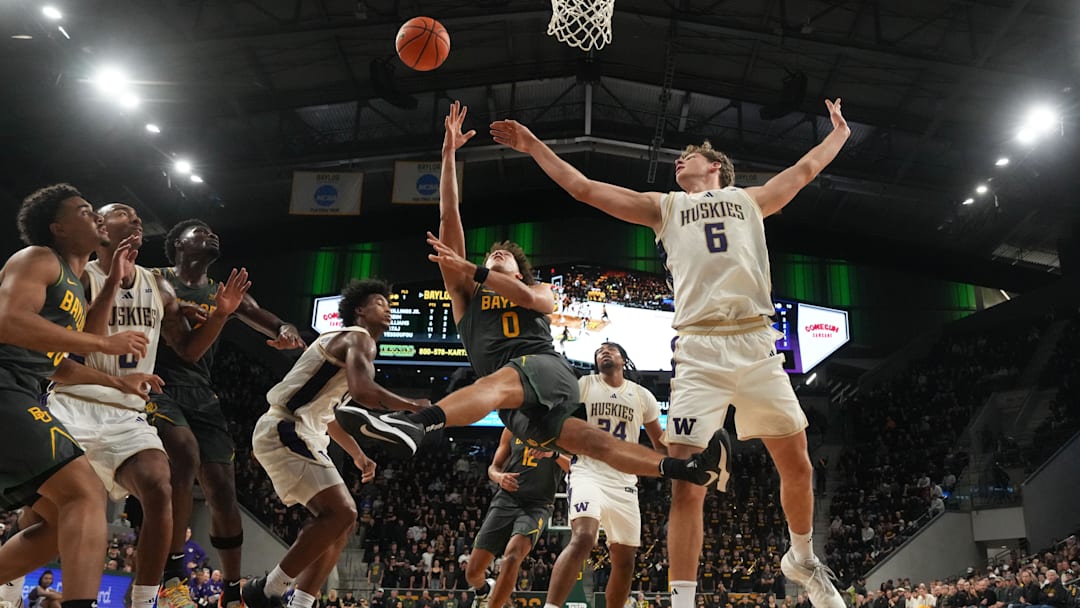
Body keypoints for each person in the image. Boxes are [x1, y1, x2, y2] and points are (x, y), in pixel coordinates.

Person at [488, 98, 851, 608]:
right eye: (678, 158)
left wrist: (839, 132)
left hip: (756, 342)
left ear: (716, 168)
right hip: (700, 349)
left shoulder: (751, 199)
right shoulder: (665, 207)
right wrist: (533, 146)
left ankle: (803, 558)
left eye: (689, 157)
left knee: (798, 466)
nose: (679, 162)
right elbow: (585, 189)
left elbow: (808, 166)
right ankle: (682, 603)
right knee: (689, 479)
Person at [335, 101, 730, 489]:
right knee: (595, 444)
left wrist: (480, 268)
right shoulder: (466, 293)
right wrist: (448, 155)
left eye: (504, 256)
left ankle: (416, 424)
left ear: (521, 271)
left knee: (497, 383)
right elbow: (448, 214)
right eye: (492, 254)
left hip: (543, 368)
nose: (497, 253)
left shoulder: (537, 287)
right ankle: (685, 470)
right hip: (510, 401)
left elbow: (534, 302)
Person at [45, 202, 250, 608]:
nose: (137, 217)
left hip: (128, 407)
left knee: (159, 484)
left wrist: (221, 315)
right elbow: (83, 347)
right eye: (124, 212)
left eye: (139, 215)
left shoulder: (158, 286)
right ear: (101, 225)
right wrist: (110, 283)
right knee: (44, 516)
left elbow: (188, 351)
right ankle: (9, 590)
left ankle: (146, 599)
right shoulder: (77, 274)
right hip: (76, 399)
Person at [0, 184, 151, 608]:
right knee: (85, 493)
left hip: (23, 387)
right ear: (58, 228)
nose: (97, 217)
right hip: (4, 385)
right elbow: (8, 322)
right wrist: (108, 347)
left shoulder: (78, 281)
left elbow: (64, 356)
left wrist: (118, 382)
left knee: (52, 526)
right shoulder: (37, 259)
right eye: (86, 211)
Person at [151, 219, 307, 608]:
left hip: (202, 393)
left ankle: (233, 591)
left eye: (212, 231)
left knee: (223, 490)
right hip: (158, 384)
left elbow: (270, 320)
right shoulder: (156, 279)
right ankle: (172, 576)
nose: (211, 234)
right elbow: (184, 348)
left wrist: (287, 330)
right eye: (199, 232)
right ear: (178, 244)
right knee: (184, 458)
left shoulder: (223, 293)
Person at [243, 279, 426, 608]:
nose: (388, 309)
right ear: (359, 310)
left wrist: (357, 453)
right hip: (287, 427)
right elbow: (364, 393)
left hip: (301, 430)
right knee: (341, 512)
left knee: (341, 523)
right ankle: (268, 589)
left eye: (389, 304)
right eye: (379, 303)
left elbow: (330, 415)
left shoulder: (346, 346)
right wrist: (412, 405)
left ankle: (300, 603)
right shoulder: (359, 338)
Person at [542, 342, 669, 608]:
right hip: (588, 471)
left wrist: (683, 464)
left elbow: (659, 444)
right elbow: (562, 424)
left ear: (623, 358)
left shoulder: (641, 395)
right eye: (599, 351)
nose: (604, 353)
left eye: (610, 349)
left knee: (625, 560)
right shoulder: (585, 385)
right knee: (584, 537)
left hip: (624, 482)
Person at [466, 428, 568, 608]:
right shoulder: (513, 428)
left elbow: (575, 467)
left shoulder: (562, 429)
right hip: (506, 499)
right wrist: (499, 477)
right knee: (472, 573)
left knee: (513, 556)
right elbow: (493, 468)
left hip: (538, 505)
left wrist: (553, 454)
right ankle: (483, 591)